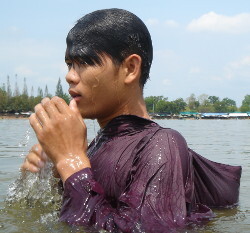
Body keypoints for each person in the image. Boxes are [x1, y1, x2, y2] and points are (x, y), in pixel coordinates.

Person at [21, 8, 242, 232]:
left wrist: (70, 161)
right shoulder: (94, 147)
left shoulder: (162, 144)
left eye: (85, 61)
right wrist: (53, 172)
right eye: (70, 64)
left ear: (130, 68)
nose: (69, 75)